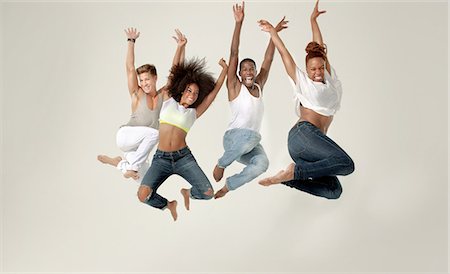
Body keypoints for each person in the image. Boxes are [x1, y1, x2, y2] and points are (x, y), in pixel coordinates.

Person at [257, 0, 354, 199]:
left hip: (309, 148)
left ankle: (289, 179)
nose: (317, 72)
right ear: (307, 70)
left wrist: (313, 20)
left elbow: (319, 47)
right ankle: (295, 172)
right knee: (346, 164)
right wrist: (273, 33)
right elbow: (285, 55)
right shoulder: (303, 82)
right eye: (312, 69)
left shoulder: (331, 79)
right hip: (303, 136)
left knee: (334, 191)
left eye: (320, 68)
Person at [139, 29, 228, 221]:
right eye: (189, 90)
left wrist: (225, 71)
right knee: (143, 195)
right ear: (182, 89)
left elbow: (213, 94)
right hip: (161, 159)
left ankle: (188, 193)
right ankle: (168, 204)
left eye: (195, 93)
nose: (192, 94)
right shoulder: (168, 99)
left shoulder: (193, 113)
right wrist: (181, 46)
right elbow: (174, 70)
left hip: (183, 158)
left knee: (207, 193)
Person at [212, 2, 287, 199]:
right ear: (238, 73)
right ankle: (221, 164)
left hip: (249, 143)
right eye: (244, 69)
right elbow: (234, 53)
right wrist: (239, 23)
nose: (248, 71)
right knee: (250, 138)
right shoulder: (235, 86)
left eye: (251, 69)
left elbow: (268, 60)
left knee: (263, 164)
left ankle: (228, 187)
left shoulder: (259, 85)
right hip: (234, 139)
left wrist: (273, 34)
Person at [98, 27, 163, 182]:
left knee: (143, 181)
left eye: (147, 79)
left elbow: (175, 75)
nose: (144, 83)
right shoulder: (137, 93)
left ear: (155, 78)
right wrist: (131, 42)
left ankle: (117, 162)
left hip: (136, 148)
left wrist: (181, 47)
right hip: (126, 136)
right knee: (155, 133)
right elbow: (129, 68)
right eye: (141, 80)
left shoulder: (162, 95)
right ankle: (132, 166)